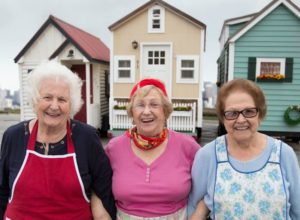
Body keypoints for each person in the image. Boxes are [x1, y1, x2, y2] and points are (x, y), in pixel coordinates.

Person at [0, 60, 116, 220]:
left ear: (72, 104)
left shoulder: (87, 138)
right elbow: (3, 190)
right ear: (35, 99)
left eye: (62, 100)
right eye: (47, 97)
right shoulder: (14, 136)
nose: (54, 106)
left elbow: (103, 192)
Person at [188, 78, 300, 219]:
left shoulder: (283, 154)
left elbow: (297, 210)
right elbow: (194, 206)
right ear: (223, 118)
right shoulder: (208, 155)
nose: (240, 120)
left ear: (260, 113)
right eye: (232, 113)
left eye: (248, 111)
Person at [104, 78, 201, 219]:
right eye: (140, 105)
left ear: (165, 111)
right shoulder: (114, 148)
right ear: (132, 112)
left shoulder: (187, 145)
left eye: (154, 105)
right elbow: (96, 186)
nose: (147, 111)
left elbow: (209, 182)